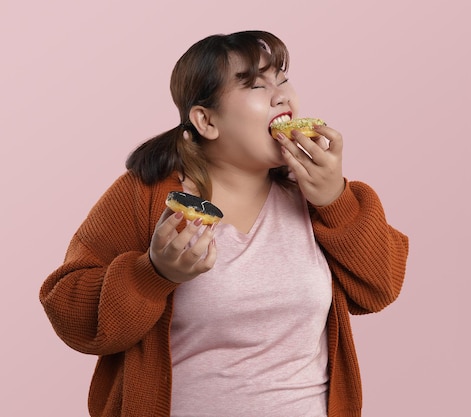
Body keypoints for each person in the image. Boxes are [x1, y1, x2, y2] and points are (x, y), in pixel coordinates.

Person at [40, 30, 409, 417]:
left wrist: (336, 200)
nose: (282, 95)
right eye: (255, 85)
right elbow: (69, 311)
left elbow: (379, 288)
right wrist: (153, 273)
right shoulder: (148, 195)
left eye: (282, 79)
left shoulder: (314, 199)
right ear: (206, 120)